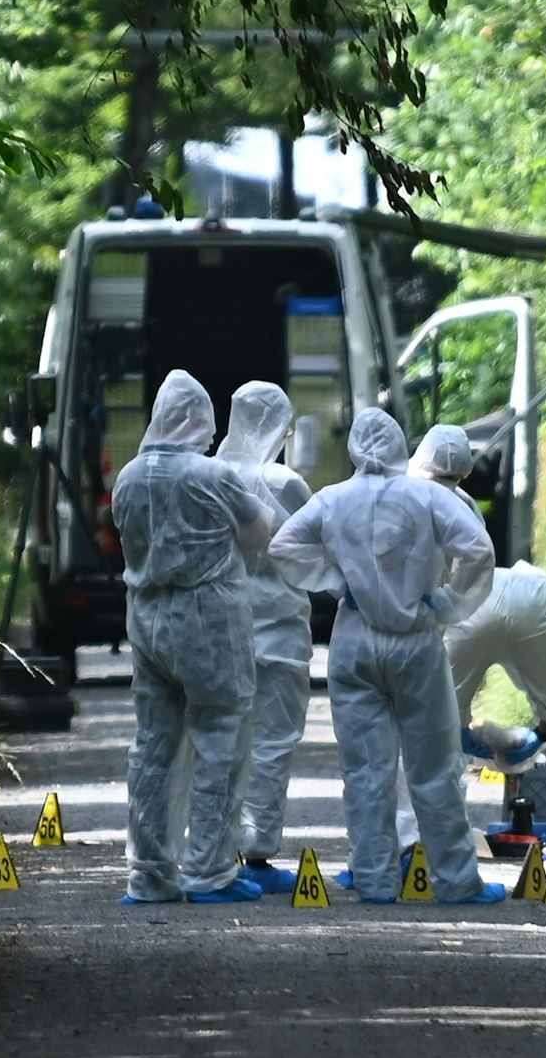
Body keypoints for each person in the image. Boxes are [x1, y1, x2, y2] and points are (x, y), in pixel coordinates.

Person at [268, 410, 506, 905]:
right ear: (403, 446)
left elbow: (283, 544)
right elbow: (478, 551)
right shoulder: (429, 497)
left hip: (353, 639)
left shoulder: (333, 498)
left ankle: (376, 881)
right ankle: (457, 883)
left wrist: (336, 582)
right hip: (415, 639)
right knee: (433, 768)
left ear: (353, 447)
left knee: (365, 771)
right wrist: (450, 602)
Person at [404, 425, 546, 856]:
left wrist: (467, 734)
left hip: (468, 610)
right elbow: (480, 560)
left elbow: (444, 581)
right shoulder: (465, 501)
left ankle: (435, 841)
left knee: (436, 728)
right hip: (537, 601)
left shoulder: (401, 493)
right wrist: (540, 733)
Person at [112, 370, 274, 904]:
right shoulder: (213, 476)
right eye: (205, 423)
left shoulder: (129, 478)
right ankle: (209, 871)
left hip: (146, 618)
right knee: (220, 738)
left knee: (153, 747)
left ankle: (149, 876)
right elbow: (257, 534)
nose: (210, 434)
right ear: (192, 419)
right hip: (207, 620)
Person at [214, 383, 315, 896]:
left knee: (220, 740)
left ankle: (213, 847)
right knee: (273, 742)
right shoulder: (287, 481)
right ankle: (256, 853)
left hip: (223, 628)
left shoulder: (210, 477)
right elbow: (319, 539)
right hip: (280, 629)